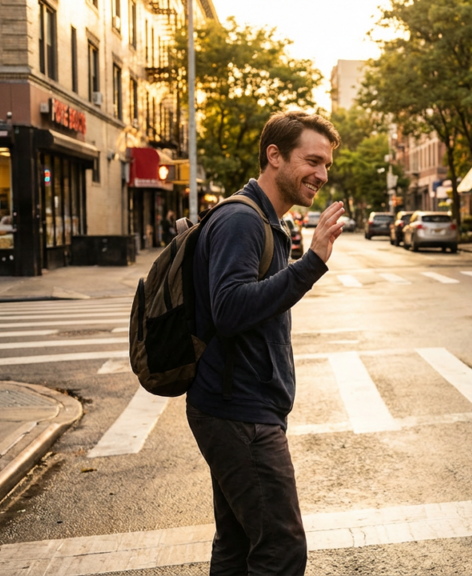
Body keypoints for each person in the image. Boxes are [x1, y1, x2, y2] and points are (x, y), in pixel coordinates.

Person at [186, 110, 343, 575]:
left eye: (326, 164)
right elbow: (230, 309)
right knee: (281, 547)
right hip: (239, 411)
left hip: (241, 406)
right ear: (275, 156)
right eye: (312, 161)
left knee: (236, 545)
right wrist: (311, 262)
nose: (322, 174)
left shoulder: (268, 220)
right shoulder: (243, 220)